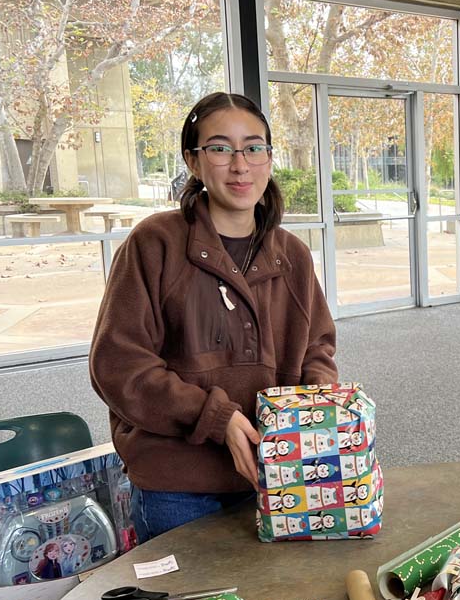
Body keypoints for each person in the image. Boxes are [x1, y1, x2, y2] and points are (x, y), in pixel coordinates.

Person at [90, 92, 338, 540]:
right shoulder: (155, 244)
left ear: (268, 157)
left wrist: (317, 407)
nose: (240, 164)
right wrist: (217, 418)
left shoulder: (292, 255)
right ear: (193, 161)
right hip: (179, 487)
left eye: (253, 147)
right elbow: (119, 366)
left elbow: (317, 346)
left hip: (279, 472)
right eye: (221, 148)